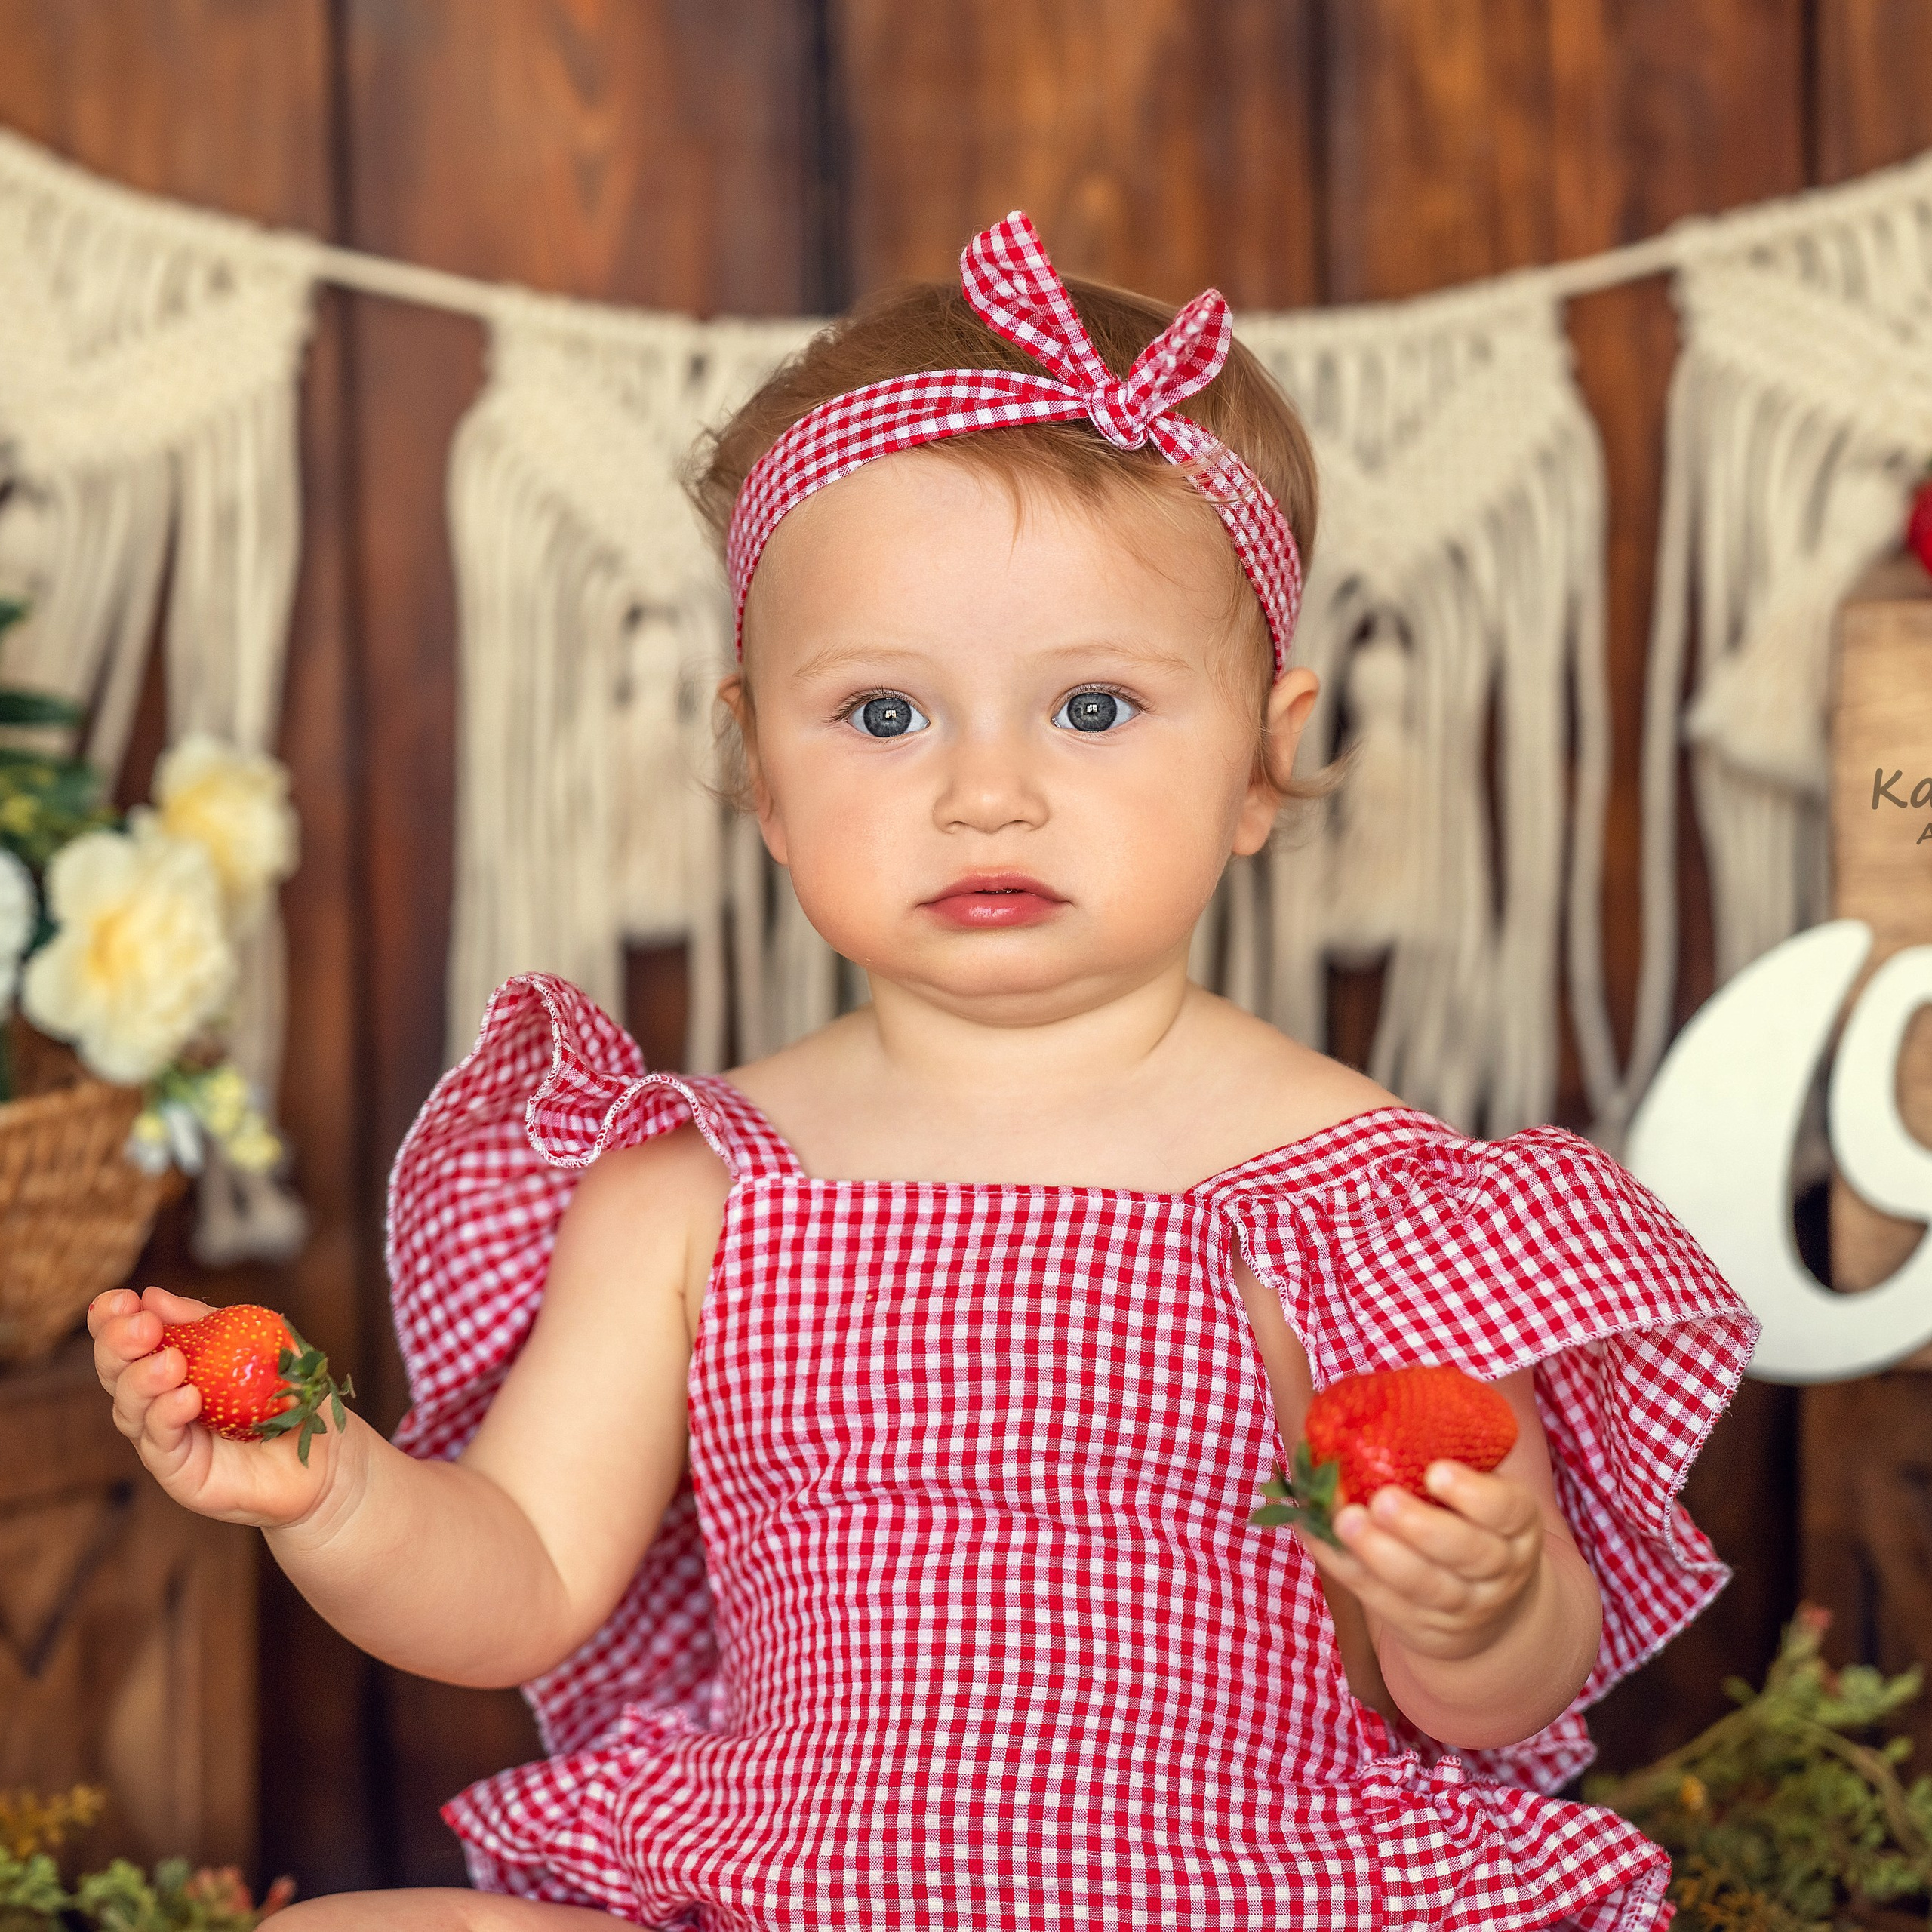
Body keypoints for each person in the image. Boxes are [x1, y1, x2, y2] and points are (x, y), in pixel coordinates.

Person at [90, 212, 1758, 1930]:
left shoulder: (1378, 1201)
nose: (986, 793)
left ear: (1265, 756)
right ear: (755, 760)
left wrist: (1473, 1610)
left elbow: (1487, 1706)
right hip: (793, 1894)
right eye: (883, 715)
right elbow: (516, 1581)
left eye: (1092, 709)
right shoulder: (694, 1184)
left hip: (1247, 1893)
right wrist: (332, 1482)